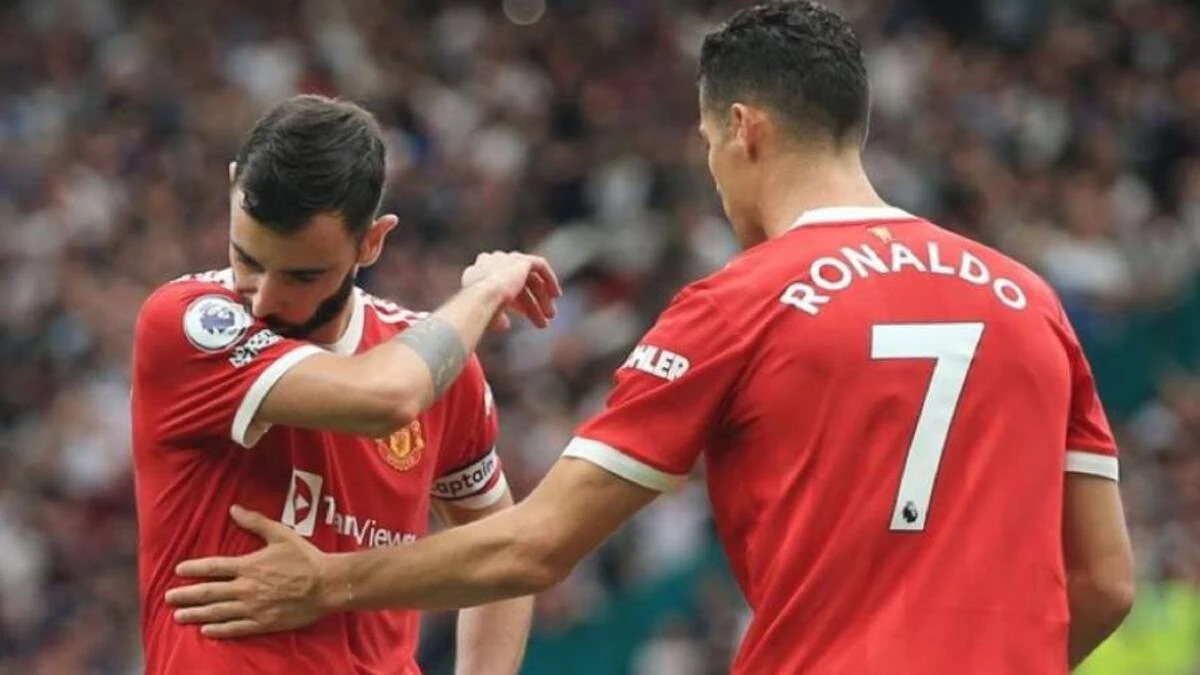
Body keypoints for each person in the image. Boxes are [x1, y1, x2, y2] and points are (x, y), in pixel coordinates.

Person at [164, 4, 1135, 673]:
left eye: (709, 145)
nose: (713, 172)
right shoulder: (1030, 300)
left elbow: (536, 546)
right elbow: (1104, 582)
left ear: (743, 130)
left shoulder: (742, 301)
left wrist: (328, 582)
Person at [132, 94, 556, 674]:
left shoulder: (440, 369)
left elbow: (502, 553)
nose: (265, 298)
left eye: (303, 275)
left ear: (371, 241)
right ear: (232, 188)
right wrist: (484, 294)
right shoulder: (187, 323)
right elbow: (386, 397)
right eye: (247, 259)